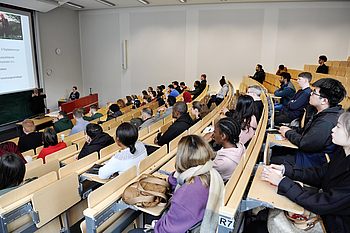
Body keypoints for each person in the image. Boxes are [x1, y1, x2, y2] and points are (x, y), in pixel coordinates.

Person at [261, 110, 350, 233]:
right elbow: (321, 173)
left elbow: (325, 203)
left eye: (338, 127)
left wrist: (282, 182)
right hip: (325, 210)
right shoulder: (342, 152)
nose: (333, 129)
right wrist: (286, 170)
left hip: (333, 224)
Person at [149, 135, 224, 232]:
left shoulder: (187, 192)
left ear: (181, 157)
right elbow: (174, 182)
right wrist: (178, 175)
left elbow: (166, 230)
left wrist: (155, 225)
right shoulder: (209, 172)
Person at [271, 78, 346, 168]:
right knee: (275, 149)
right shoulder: (321, 112)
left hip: (312, 163)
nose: (311, 94)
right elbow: (306, 132)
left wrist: (288, 132)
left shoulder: (326, 122)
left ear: (324, 101)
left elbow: (306, 143)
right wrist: (290, 129)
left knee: (274, 157)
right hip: (307, 155)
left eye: (314, 92)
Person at [204, 117, 245, 182]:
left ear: (223, 136)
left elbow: (203, 170)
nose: (212, 134)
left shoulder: (222, 162)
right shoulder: (239, 146)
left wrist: (203, 142)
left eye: (214, 132)